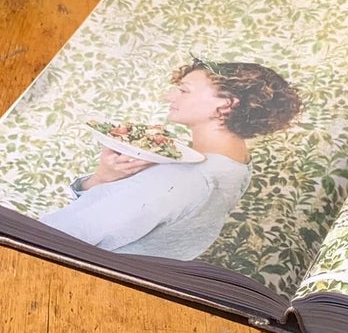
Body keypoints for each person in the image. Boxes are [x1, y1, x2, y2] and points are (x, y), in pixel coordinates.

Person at [40, 58, 303, 259]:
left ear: (225, 104)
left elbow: (58, 237)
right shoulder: (238, 163)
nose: (170, 96)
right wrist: (102, 178)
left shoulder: (183, 175)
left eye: (184, 90)